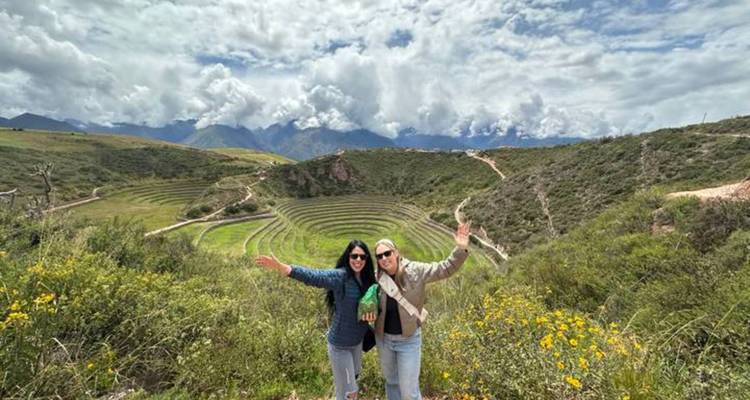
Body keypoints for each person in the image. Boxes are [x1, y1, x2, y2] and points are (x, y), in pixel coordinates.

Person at [254, 240, 377, 400]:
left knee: (351, 382)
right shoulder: (341, 277)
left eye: (362, 257)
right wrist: (286, 269)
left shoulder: (369, 279)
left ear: (367, 259)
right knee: (350, 392)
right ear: (348, 257)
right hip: (340, 346)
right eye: (354, 256)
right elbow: (315, 276)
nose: (358, 260)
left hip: (357, 344)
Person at [372, 222, 471, 400]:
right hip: (384, 340)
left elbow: (445, 268)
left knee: (409, 391)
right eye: (380, 256)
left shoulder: (415, 270)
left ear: (396, 253)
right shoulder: (376, 278)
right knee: (392, 383)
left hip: (408, 340)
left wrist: (460, 249)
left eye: (388, 253)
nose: (384, 258)